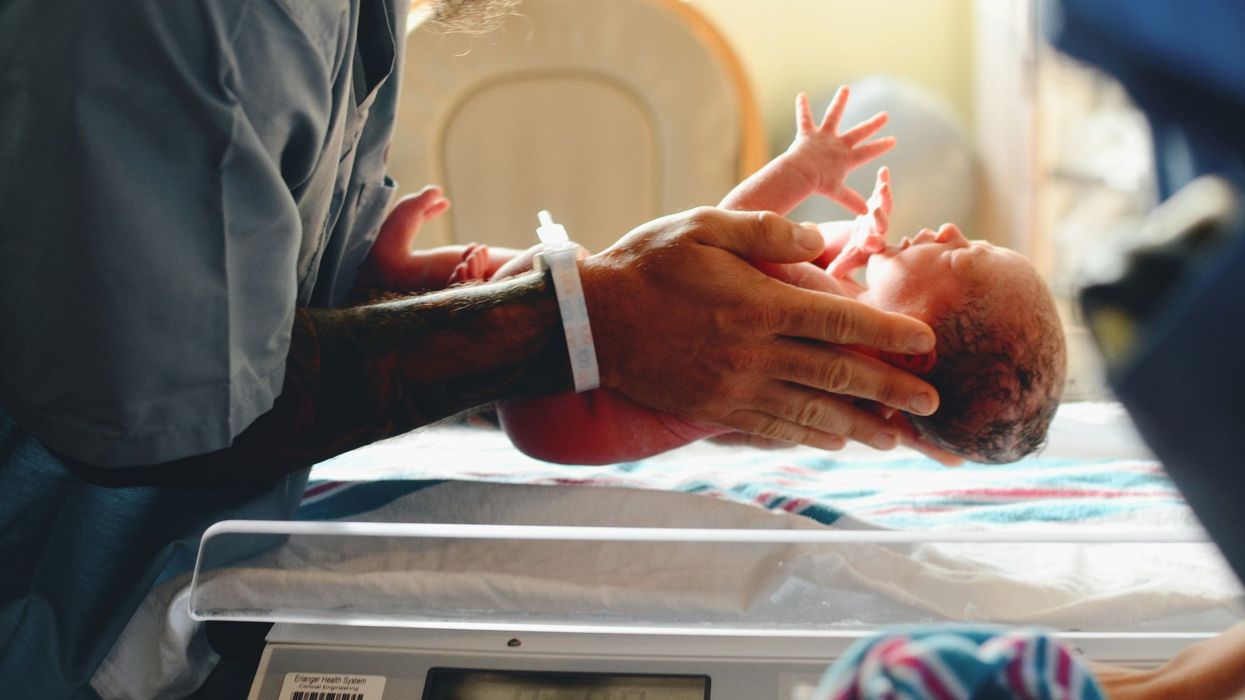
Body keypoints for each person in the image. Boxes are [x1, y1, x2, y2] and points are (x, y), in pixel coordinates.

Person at [0, 2, 944, 695]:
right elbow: (179, 404)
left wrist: (374, 292)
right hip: (56, 596)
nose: (942, 235)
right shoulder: (206, 24)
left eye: (964, 261)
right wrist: (578, 316)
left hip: (161, 560)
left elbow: (220, 303)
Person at [384, 95, 1066, 465]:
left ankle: (404, 275)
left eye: (961, 258)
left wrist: (804, 169)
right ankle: (413, 282)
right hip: (569, 427)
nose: (949, 231)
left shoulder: (827, 320)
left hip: (572, 400)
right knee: (554, 274)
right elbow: (806, 278)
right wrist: (857, 249)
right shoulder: (854, 379)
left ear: (913, 350)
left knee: (543, 269)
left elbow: (718, 241)